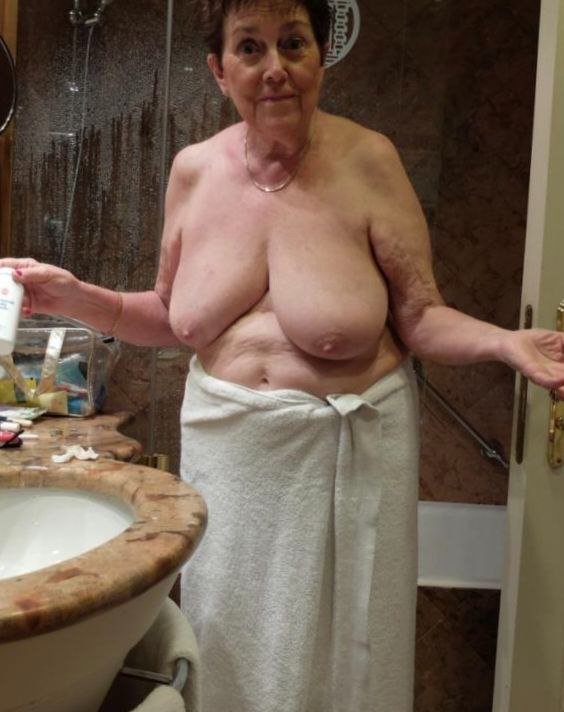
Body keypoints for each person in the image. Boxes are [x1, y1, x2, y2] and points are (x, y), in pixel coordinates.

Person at [2, 1, 564, 709]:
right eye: (250, 48)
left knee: (343, 667)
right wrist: (76, 296)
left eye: (293, 44)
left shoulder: (370, 161)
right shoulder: (193, 172)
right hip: (233, 464)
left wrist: (506, 342)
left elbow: (421, 316)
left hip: (342, 460)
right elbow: (171, 315)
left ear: (320, 57)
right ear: (219, 69)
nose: (275, 69)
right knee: (231, 644)